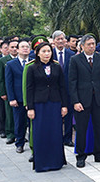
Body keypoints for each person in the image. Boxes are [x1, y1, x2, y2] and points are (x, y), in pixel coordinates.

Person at [68, 34, 100, 168]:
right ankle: (81, 156)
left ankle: (99, 153)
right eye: (89, 44)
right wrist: (75, 101)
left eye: (93, 44)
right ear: (82, 46)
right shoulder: (75, 60)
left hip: (98, 99)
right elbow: (72, 82)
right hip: (82, 100)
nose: (92, 46)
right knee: (81, 128)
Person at [25, 41, 69, 172]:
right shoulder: (32, 68)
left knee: (55, 132)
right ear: (37, 53)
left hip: (55, 103)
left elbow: (62, 87)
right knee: (41, 133)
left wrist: (64, 105)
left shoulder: (56, 67)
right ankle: (42, 163)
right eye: (43, 51)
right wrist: (30, 107)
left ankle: (56, 162)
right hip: (40, 105)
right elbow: (29, 88)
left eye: (49, 51)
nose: (46, 54)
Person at [52, 30, 76, 146]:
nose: (60, 41)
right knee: (55, 115)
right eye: (58, 39)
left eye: (62, 38)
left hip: (68, 90)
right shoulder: (49, 54)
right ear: (54, 41)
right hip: (54, 91)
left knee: (68, 115)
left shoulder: (71, 55)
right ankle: (56, 138)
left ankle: (67, 138)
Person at [6, 39, 30, 153]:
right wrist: (12, 98)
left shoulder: (34, 62)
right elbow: (9, 83)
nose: (25, 48)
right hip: (18, 99)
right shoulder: (11, 64)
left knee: (32, 124)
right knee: (20, 123)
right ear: (18, 49)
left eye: (27, 47)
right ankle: (19, 144)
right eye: (22, 47)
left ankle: (33, 144)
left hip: (32, 99)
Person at [0, 39, 17, 144]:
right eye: (12, 47)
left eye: (16, 47)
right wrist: (3, 92)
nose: (14, 49)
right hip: (8, 91)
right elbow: (0, 78)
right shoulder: (3, 60)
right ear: (8, 49)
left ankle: (20, 134)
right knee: (9, 114)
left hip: (20, 91)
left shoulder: (23, 60)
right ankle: (10, 134)